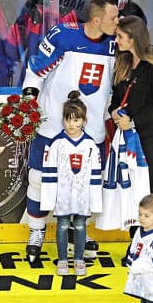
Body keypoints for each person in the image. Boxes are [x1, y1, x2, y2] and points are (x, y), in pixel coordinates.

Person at [22, 0, 119, 262]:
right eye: (113, 18)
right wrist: (29, 103)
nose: (118, 22)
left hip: (92, 130)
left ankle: (80, 231)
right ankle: (36, 232)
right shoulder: (63, 36)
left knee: (86, 183)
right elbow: (36, 70)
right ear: (97, 20)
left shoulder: (116, 43)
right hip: (53, 126)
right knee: (39, 180)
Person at [40, 90, 103, 276]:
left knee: (82, 225)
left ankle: (79, 259)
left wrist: (95, 199)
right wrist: (50, 198)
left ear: (84, 120)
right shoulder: (56, 143)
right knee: (63, 225)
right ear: (63, 120)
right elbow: (49, 173)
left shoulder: (90, 144)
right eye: (68, 120)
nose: (72, 124)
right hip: (63, 195)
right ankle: (62, 259)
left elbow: (95, 174)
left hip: (83, 195)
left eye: (76, 120)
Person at [109, 15, 153, 195]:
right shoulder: (122, 64)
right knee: (127, 190)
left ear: (133, 38)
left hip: (148, 137)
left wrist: (133, 121)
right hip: (124, 137)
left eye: (120, 36)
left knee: (148, 188)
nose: (116, 40)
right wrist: (113, 111)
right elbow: (115, 100)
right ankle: (133, 224)